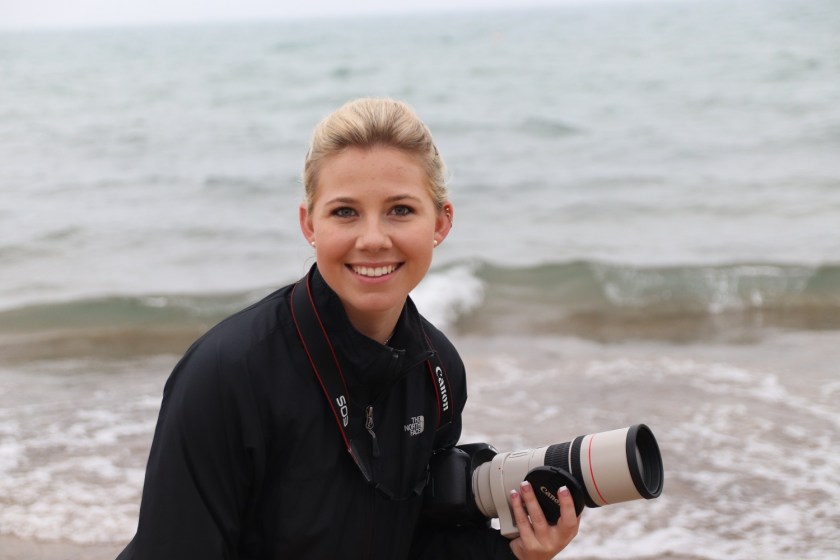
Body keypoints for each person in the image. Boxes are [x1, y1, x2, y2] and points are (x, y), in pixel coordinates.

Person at [117, 98, 581, 559]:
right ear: (308, 224)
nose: (374, 239)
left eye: (400, 210)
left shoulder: (437, 370)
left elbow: (416, 543)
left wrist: (515, 553)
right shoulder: (227, 373)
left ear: (441, 222)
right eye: (345, 212)